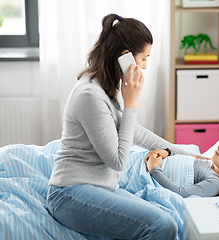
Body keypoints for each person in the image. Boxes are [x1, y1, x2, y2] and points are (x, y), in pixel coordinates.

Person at [46, 14, 202, 240]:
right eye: (144, 58)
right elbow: (117, 161)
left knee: (169, 217)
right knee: (162, 225)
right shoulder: (90, 94)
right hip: (69, 193)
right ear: (124, 57)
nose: (145, 66)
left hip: (99, 188)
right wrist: (131, 104)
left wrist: (190, 155)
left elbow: (137, 133)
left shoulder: (107, 88)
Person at [145, 132, 219, 198]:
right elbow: (182, 157)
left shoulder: (215, 183)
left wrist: (154, 169)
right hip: (150, 159)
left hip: (147, 172)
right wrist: (167, 152)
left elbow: (180, 193)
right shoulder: (208, 161)